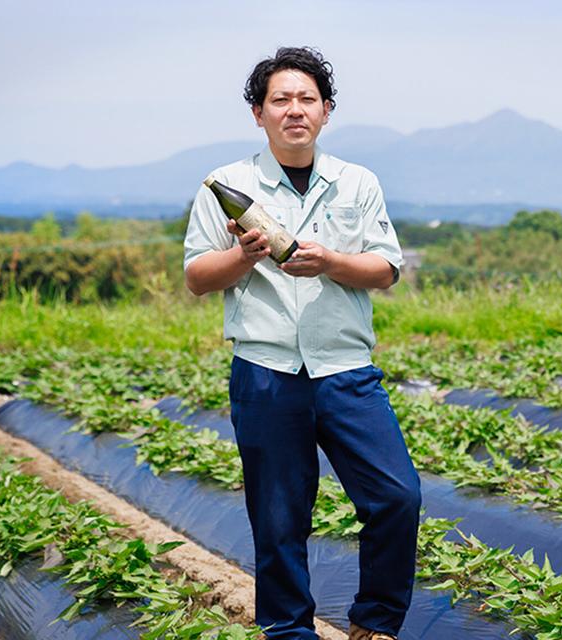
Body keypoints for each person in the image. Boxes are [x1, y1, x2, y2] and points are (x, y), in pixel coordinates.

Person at [182, 46, 419, 640]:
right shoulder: (228, 186)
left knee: (396, 496)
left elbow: (387, 270)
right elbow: (195, 278)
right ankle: (288, 631)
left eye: (306, 99)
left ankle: (375, 623)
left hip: (345, 368)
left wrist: (333, 261)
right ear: (258, 114)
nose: (294, 110)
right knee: (280, 517)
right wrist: (243, 255)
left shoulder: (356, 183)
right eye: (280, 100)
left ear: (326, 111)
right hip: (266, 370)